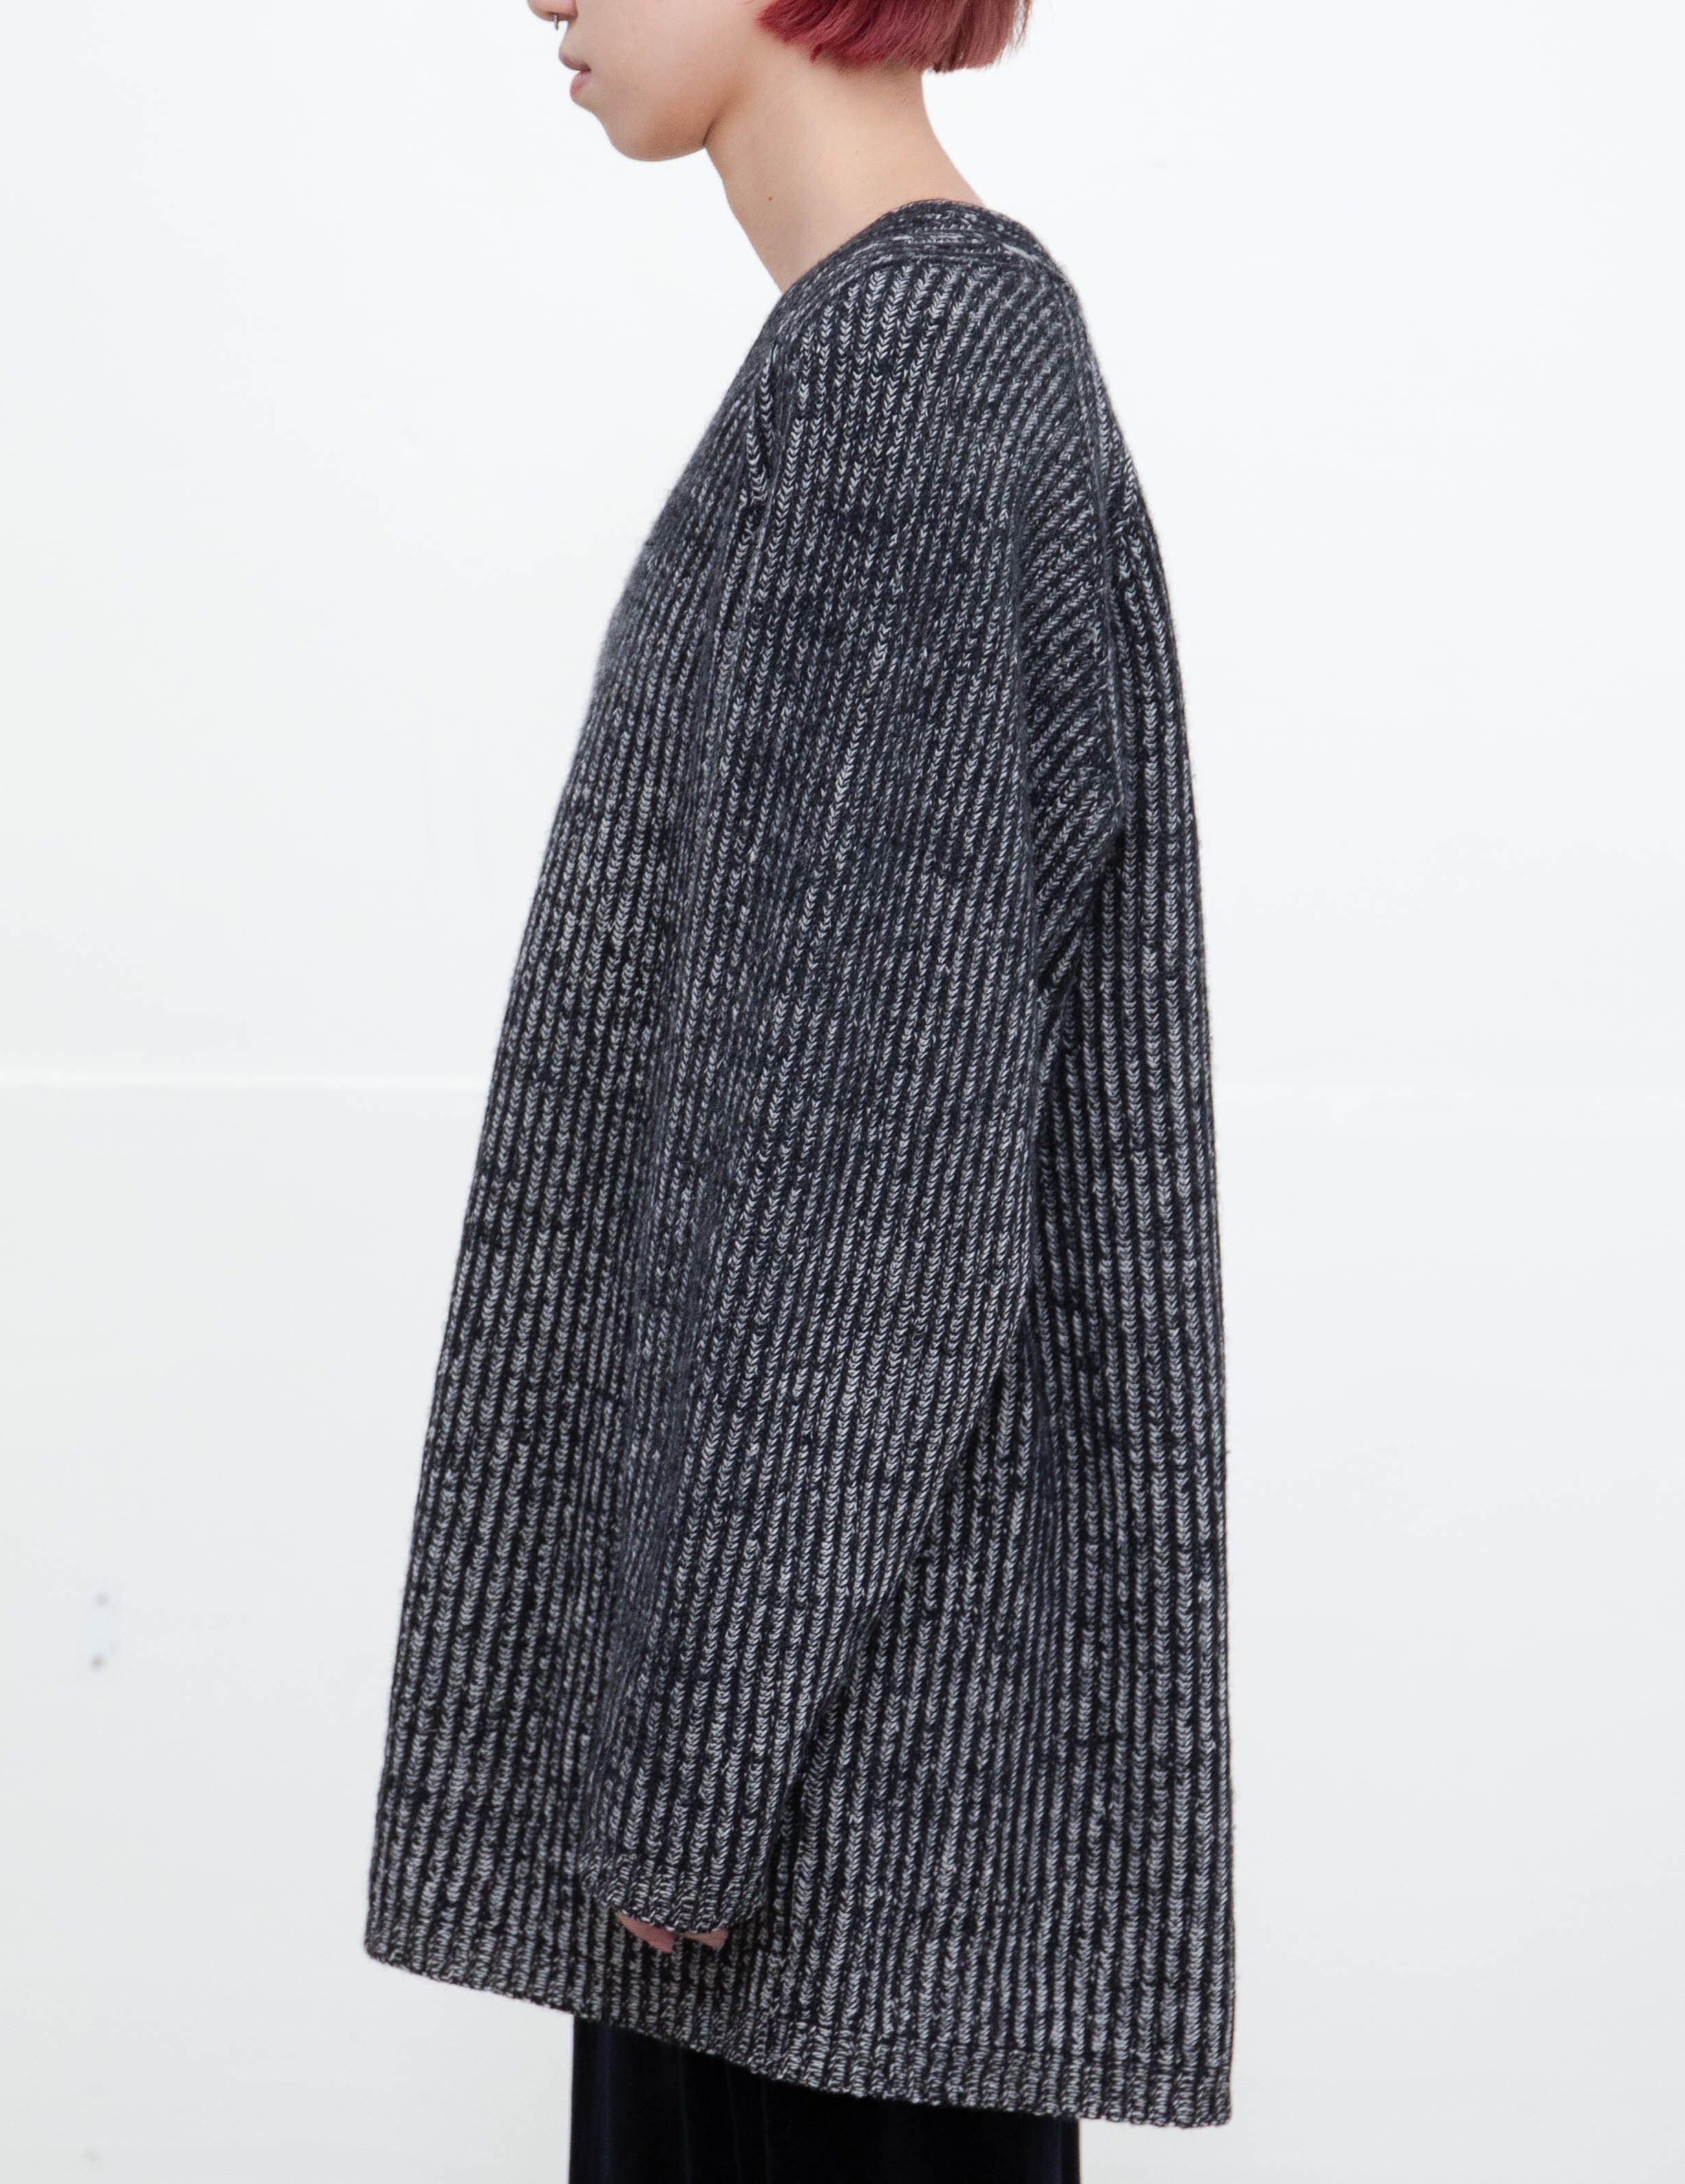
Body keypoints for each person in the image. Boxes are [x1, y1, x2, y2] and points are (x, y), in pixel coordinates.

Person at [362, 1, 1234, 2176]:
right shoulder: (912, 361)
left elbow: (862, 1178)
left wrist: (684, 1772)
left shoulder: (900, 389)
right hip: (852, 1829)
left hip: (810, 1856)